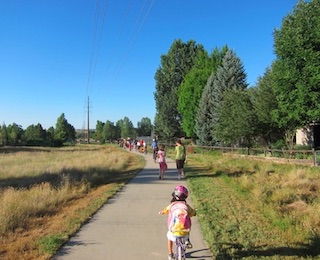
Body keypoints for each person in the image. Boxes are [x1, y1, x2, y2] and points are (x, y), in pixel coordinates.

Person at [159, 185, 196, 260]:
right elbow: (192, 213)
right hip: (185, 232)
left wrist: (162, 212)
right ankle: (187, 240)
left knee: (169, 238)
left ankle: (170, 254)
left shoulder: (172, 205)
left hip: (174, 231)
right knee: (186, 224)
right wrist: (194, 213)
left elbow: (166, 210)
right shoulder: (186, 206)